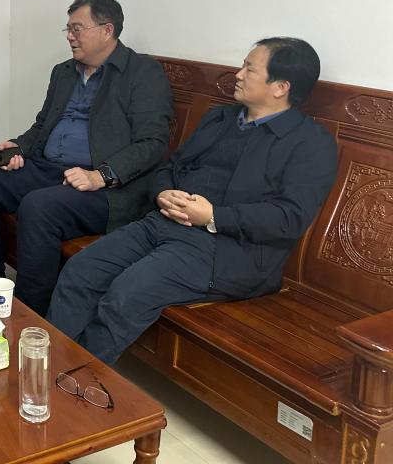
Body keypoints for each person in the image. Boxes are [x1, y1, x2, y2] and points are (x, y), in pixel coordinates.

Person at [49, 37, 337, 365]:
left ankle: (71, 381)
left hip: (226, 250)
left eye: (249, 69)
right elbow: (171, 166)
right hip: (163, 222)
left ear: (280, 87)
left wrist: (214, 216)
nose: (238, 74)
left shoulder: (311, 144)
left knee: (126, 294)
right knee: (80, 270)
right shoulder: (222, 118)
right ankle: (45, 368)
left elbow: (289, 218)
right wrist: (162, 193)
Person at [0, 0, 173, 315]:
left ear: (107, 30)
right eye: (68, 29)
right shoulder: (64, 72)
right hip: (49, 169)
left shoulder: (142, 72)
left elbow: (153, 142)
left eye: (77, 29)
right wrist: (18, 147)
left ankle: (31, 315)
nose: (69, 36)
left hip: (106, 186)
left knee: (38, 207)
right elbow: (43, 124)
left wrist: (101, 175)